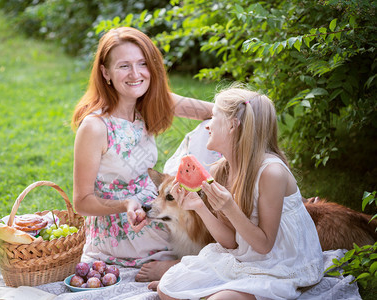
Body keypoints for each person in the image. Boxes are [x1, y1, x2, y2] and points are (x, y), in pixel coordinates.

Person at [150, 83, 324, 299]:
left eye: (213, 118)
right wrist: (199, 207)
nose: (207, 126)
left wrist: (229, 207)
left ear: (232, 126)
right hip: (245, 255)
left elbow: (264, 245)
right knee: (166, 290)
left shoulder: (272, 172)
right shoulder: (220, 170)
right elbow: (231, 242)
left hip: (279, 264)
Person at [71, 27, 213, 280]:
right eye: (124, 66)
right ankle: (175, 265)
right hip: (125, 222)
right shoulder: (95, 127)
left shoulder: (148, 101)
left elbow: (214, 113)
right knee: (217, 238)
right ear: (106, 73)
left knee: (208, 133)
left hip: (154, 200)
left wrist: (251, 103)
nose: (136, 74)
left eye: (142, 64)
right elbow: (81, 202)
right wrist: (126, 203)